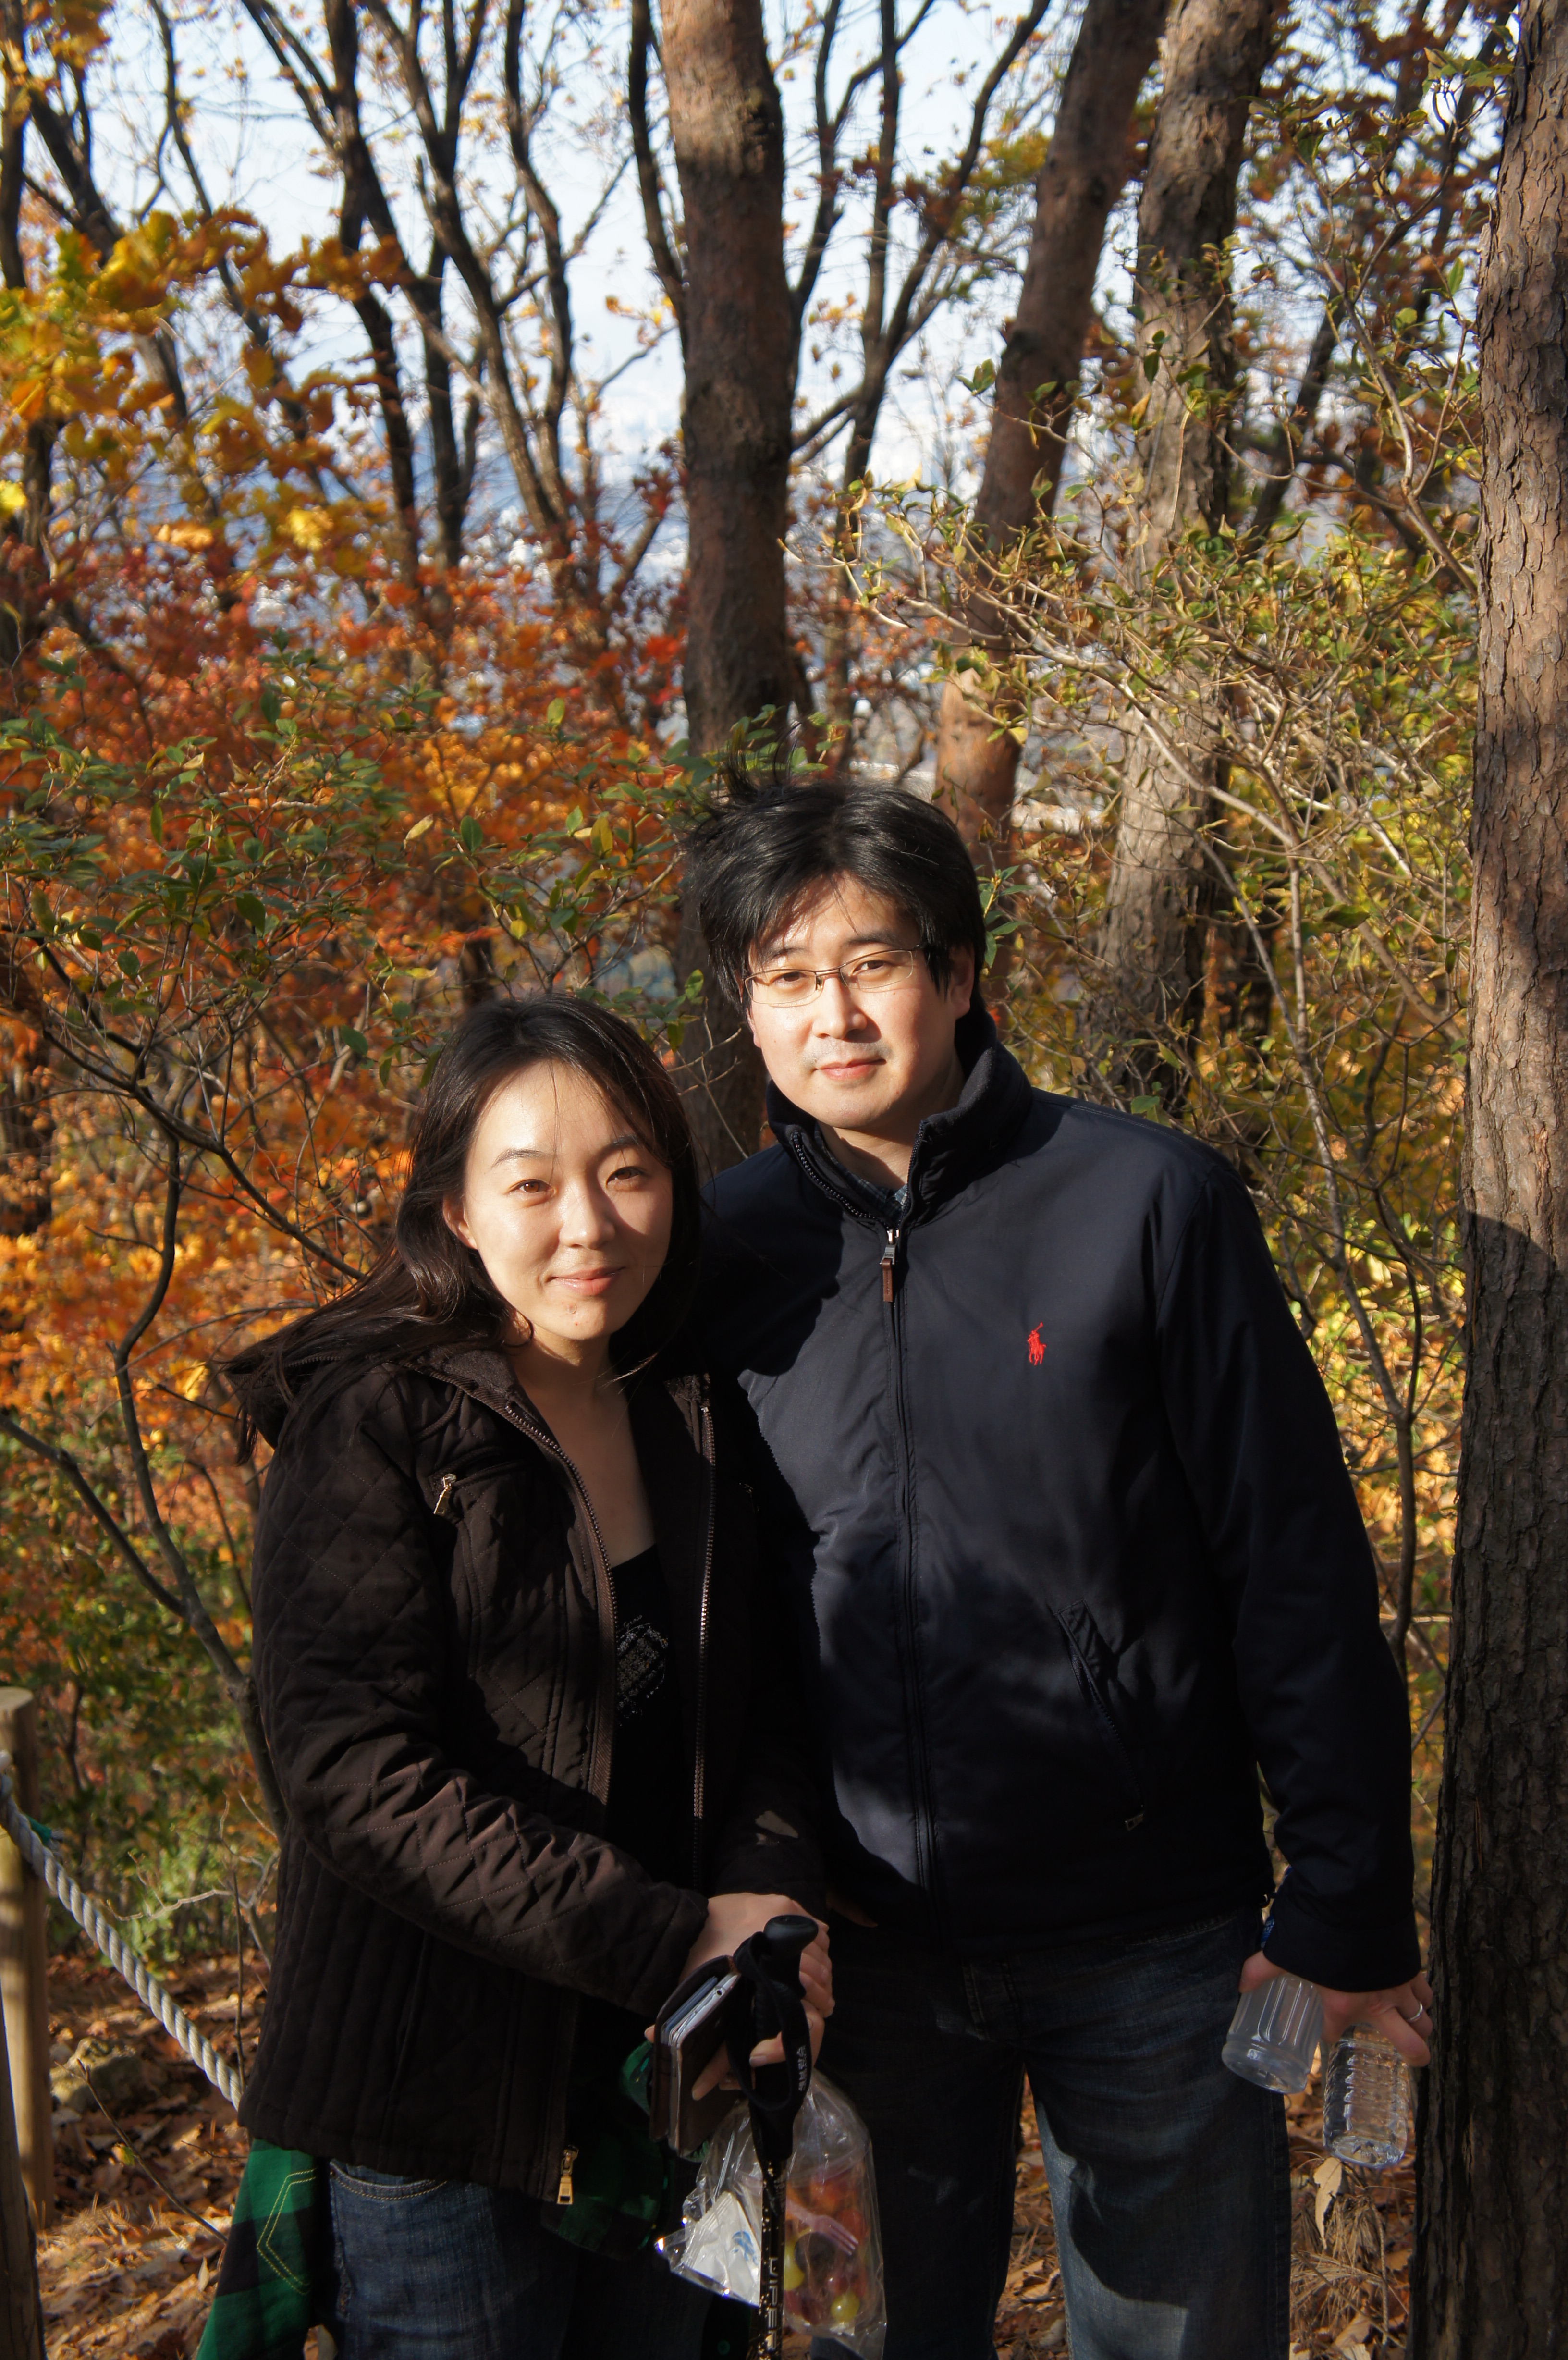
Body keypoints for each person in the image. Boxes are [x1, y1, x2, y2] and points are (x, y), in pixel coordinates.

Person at [684, 764, 1432, 2360]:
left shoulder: (1148, 1203)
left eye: (874, 965)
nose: (834, 1016)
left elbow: (1292, 1562)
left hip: (1153, 1935)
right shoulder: (718, 1253)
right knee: (869, 2341)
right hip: (859, 1961)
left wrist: (1349, 1896)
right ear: (746, 1006)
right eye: (788, 977)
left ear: (959, 974)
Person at [222, 995, 830, 2360]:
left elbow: (766, 1710)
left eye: (627, 1172)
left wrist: (768, 1896)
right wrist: (669, 1936)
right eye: (533, 1185)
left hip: (667, 2073)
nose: (588, 1226)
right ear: (454, 1210)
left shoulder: (692, 1401)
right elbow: (353, 1774)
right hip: (440, 2098)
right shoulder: (377, 1417)